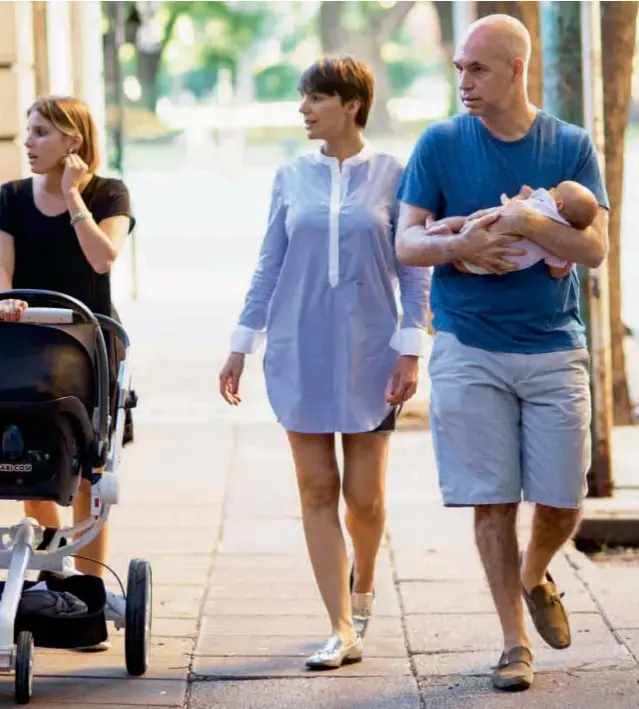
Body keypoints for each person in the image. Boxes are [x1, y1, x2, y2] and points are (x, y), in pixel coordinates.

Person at [395, 15, 608, 692]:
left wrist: (528, 221)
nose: (463, 80)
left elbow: (593, 248)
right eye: (459, 68)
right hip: (467, 343)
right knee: (491, 501)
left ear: (516, 69)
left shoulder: (569, 145)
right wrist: (461, 245)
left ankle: (533, 573)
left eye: (477, 69)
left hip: (553, 345)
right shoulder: (438, 144)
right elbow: (406, 242)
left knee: (563, 497)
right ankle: (513, 642)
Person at [219, 56, 430, 670]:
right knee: (316, 488)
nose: (304, 109)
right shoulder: (290, 176)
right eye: (303, 97)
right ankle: (340, 627)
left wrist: (410, 347)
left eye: (315, 98)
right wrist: (241, 344)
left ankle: (364, 581)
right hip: (299, 347)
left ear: (351, 104)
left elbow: (415, 272)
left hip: (371, 351)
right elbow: (269, 265)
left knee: (365, 499)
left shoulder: (396, 175)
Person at [0, 95, 136, 650]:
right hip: (26, 352)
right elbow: (2, 270)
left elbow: (103, 258)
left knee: (86, 475)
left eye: (40, 132)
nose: (28, 141)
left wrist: (74, 195)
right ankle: (51, 581)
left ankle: (86, 589)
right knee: (29, 465)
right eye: (28, 130)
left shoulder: (109, 194)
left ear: (72, 141)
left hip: (88, 349)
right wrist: (7, 300)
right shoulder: (11, 198)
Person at [452, 181, 599, 276]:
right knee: (462, 266)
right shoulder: (562, 243)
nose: (550, 189)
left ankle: (446, 227)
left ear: (559, 205)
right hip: (501, 258)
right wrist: (567, 264)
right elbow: (556, 273)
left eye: (554, 189)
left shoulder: (543, 201)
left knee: (464, 222)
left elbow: (521, 202)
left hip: (485, 223)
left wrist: (524, 195)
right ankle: (457, 259)